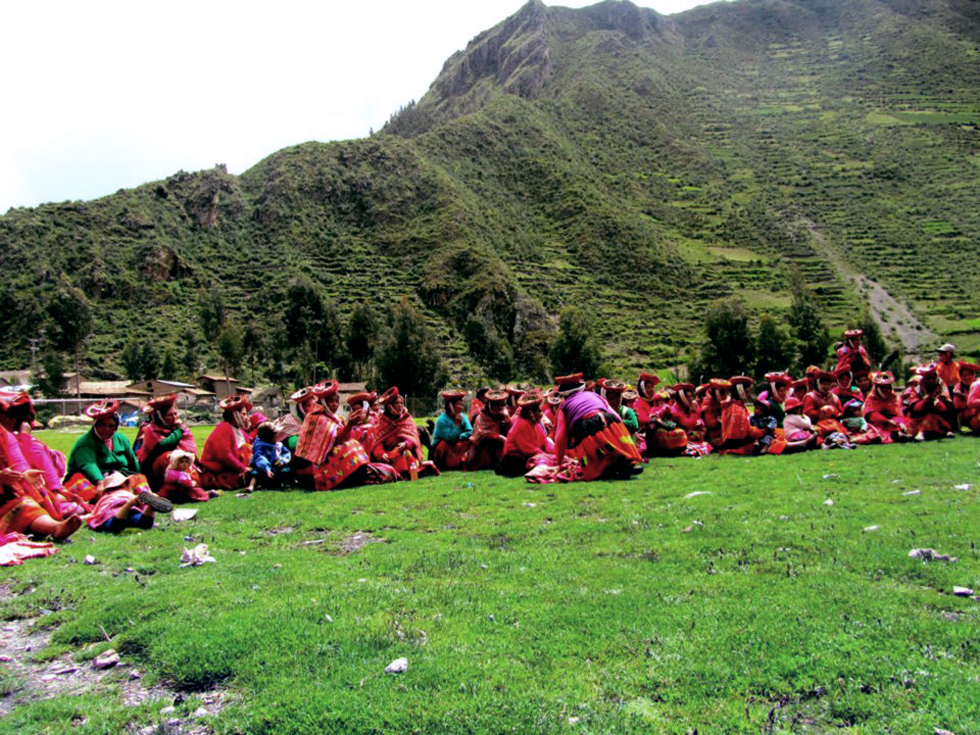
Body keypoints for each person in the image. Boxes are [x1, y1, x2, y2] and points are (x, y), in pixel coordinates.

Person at [552, 373, 642, 481]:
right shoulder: (594, 395)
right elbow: (615, 415)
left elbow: (560, 436)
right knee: (613, 445)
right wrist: (620, 430)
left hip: (585, 427)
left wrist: (559, 461)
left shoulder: (564, 406)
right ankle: (629, 462)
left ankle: (605, 470)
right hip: (608, 419)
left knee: (596, 459)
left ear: (563, 394)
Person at [295, 380, 375, 490]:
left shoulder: (334, 418)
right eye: (331, 401)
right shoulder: (316, 418)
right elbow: (336, 442)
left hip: (322, 458)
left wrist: (350, 425)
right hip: (310, 464)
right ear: (323, 402)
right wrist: (350, 425)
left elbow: (341, 439)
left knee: (353, 446)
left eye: (337, 401)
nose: (335, 404)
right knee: (349, 448)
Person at [64, 400, 141, 502]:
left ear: (116, 427)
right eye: (102, 425)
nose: (106, 429)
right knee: (94, 495)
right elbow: (88, 465)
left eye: (111, 426)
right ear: (95, 425)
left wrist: (138, 476)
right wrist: (100, 482)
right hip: (90, 478)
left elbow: (132, 461)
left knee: (139, 483)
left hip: (117, 476)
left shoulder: (121, 439)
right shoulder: (85, 443)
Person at [368, 387, 438, 480]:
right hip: (390, 457)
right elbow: (377, 443)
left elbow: (413, 438)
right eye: (397, 403)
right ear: (390, 406)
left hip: (407, 454)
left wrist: (406, 444)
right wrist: (381, 454)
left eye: (401, 403)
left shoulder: (407, 419)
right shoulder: (382, 422)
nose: (400, 405)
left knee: (405, 454)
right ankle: (402, 473)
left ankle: (407, 473)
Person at [136, 394, 200, 492]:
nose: (174, 417)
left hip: (182, 465)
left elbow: (190, 446)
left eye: (175, 414)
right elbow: (164, 445)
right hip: (156, 471)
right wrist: (178, 431)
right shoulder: (152, 429)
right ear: (161, 417)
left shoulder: (183, 429)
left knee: (185, 458)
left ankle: (187, 483)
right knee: (170, 456)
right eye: (170, 415)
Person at [199, 395, 253, 491]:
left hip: (233, 470)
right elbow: (225, 456)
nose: (246, 418)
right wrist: (243, 469)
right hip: (219, 472)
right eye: (244, 414)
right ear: (235, 415)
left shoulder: (240, 431)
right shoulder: (224, 428)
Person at [497, 391, 555, 477]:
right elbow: (527, 449)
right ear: (531, 413)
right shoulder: (521, 424)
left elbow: (545, 442)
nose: (541, 414)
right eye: (539, 411)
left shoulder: (537, 424)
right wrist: (546, 456)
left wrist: (554, 453)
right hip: (515, 460)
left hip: (531, 455)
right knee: (543, 460)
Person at [906, 364, 953, 441]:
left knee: (931, 417)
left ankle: (924, 432)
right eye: (928, 378)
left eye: (933, 378)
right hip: (920, 417)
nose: (931, 381)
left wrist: (936, 402)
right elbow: (913, 407)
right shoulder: (917, 388)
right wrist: (924, 402)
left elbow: (947, 407)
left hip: (939, 418)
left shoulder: (942, 387)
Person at [467, 389, 511, 471]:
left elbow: (509, 430)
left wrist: (507, 419)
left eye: (500, 406)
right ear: (490, 406)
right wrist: (499, 437)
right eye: (495, 406)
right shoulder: (482, 416)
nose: (498, 409)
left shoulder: (503, 415)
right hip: (483, 448)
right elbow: (481, 433)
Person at [430, 390, 472, 471]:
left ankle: (463, 462)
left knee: (470, 442)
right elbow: (450, 439)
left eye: (461, 405)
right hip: (444, 448)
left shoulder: (463, 417)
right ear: (450, 406)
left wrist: (461, 437)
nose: (461, 407)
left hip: (458, 442)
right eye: (458, 405)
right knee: (445, 444)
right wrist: (457, 425)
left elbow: (469, 431)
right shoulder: (442, 420)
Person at [862, 371, 907, 442]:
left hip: (891, 423)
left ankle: (897, 435)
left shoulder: (893, 397)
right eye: (883, 388)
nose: (886, 390)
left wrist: (900, 422)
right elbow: (870, 415)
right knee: (875, 431)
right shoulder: (871, 398)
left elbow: (897, 412)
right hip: (876, 423)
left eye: (888, 387)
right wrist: (887, 420)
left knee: (901, 426)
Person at [247, 422, 292, 490]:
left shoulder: (279, 445)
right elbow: (260, 458)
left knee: (286, 470)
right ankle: (252, 485)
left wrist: (283, 461)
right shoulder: (260, 446)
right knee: (255, 473)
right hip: (263, 468)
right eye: (276, 434)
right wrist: (266, 469)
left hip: (276, 466)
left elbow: (287, 453)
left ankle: (285, 483)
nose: (278, 435)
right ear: (269, 437)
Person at [953, 361, 980, 433]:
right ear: (960, 376)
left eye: (969, 374)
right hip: (968, 415)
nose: (967, 377)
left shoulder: (978, 384)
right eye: (964, 375)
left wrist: (965, 397)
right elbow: (957, 406)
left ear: (974, 375)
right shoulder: (959, 387)